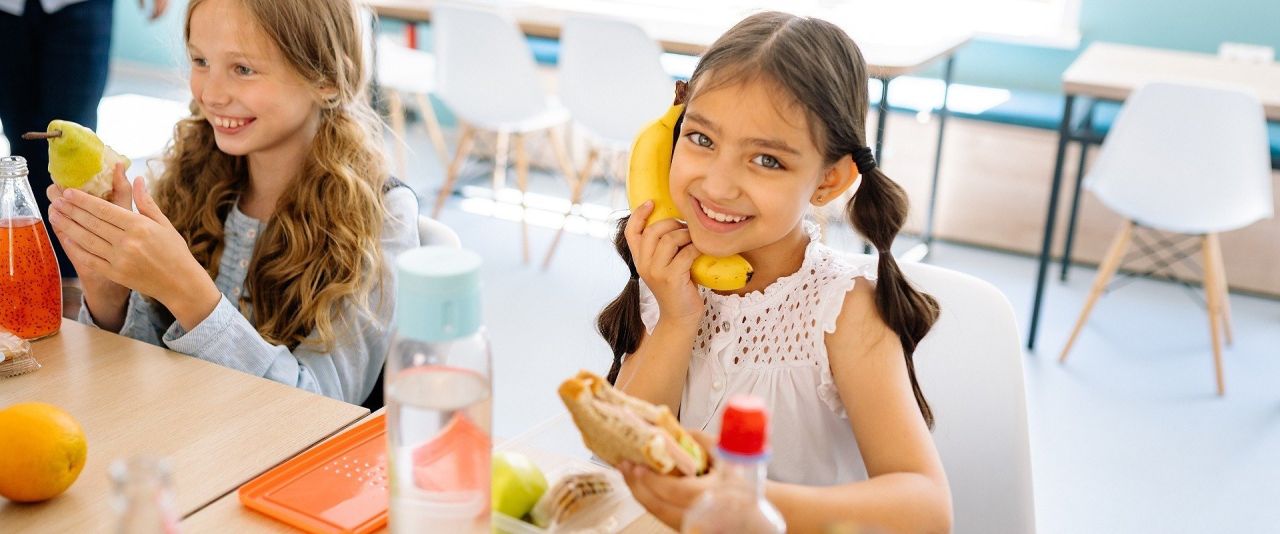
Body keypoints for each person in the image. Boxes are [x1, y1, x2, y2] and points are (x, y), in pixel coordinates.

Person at [596, 11, 952, 532]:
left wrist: (744, 499)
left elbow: (928, 508)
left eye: (766, 160)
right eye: (701, 139)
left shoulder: (842, 309)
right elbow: (620, 453)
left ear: (828, 181)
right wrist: (676, 317)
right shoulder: (672, 276)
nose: (717, 186)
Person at [45, 0, 418, 405]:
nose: (211, 94)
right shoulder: (187, 179)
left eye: (243, 69)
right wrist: (108, 297)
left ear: (327, 77)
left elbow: (322, 409)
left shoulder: (383, 216)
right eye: (200, 61)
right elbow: (141, 387)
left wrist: (188, 293)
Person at [0, 0, 168, 278]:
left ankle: (77, 275)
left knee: (77, 151)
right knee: (22, 149)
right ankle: (29, 272)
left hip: (80, 6)